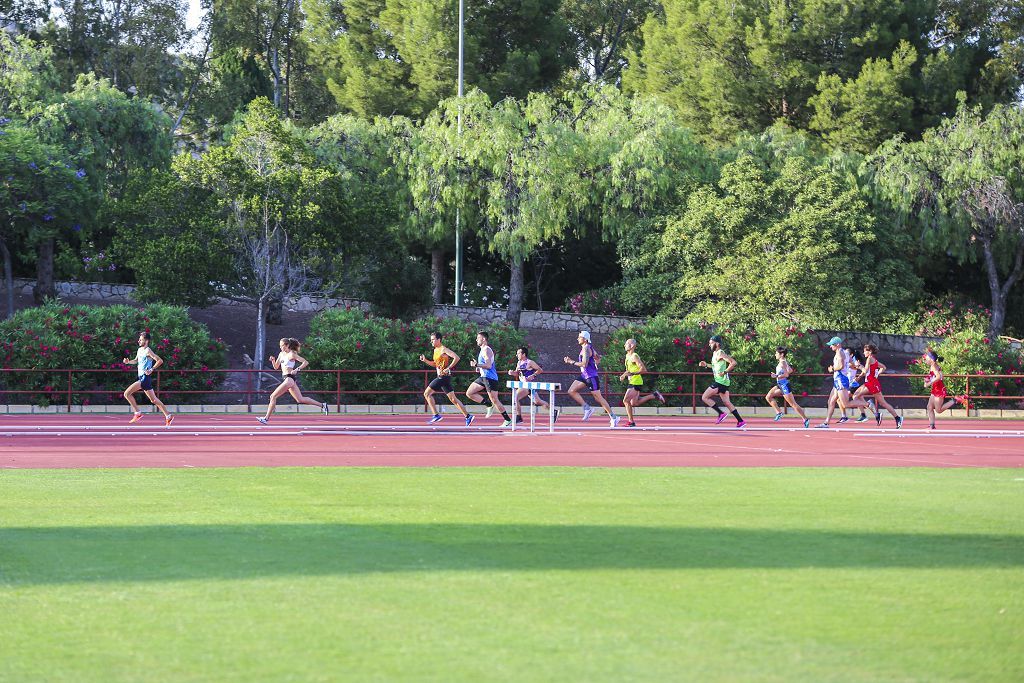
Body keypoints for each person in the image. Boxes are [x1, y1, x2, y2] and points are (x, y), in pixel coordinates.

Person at [257, 338, 329, 424]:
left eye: (282, 346)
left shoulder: (292, 354)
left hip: (289, 379)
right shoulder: (281, 354)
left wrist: (297, 369)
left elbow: (305, 362)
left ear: (287, 345)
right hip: (287, 379)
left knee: (273, 396)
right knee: (300, 399)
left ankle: (266, 418)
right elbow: (276, 367)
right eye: (280, 346)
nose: (280, 347)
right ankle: (323, 405)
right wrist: (273, 360)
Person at [564, 330, 619, 427]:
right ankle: (587, 408)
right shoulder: (589, 348)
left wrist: (571, 362)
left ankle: (614, 417)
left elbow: (584, 364)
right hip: (584, 375)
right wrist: (596, 362)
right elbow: (598, 357)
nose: (577, 338)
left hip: (591, 376)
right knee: (571, 390)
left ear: (585, 339)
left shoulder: (586, 349)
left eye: (579, 337)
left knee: (598, 398)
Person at [419, 331, 474, 426]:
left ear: (439, 340)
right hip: (443, 377)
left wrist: (448, 368)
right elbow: (435, 364)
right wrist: (425, 361)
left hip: (443, 377)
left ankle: (436, 415)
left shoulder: (443, 349)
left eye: (433, 340)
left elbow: (456, 357)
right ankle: (468, 416)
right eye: (431, 340)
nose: (431, 342)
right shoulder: (436, 350)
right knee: (453, 399)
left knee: (427, 394)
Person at [123, 331, 174, 426]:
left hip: (145, 378)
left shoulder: (148, 351)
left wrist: (152, 369)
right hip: (142, 377)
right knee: (153, 400)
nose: (138, 341)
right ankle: (168, 416)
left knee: (127, 393)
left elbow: (160, 360)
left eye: (141, 340)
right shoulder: (139, 350)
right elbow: (136, 361)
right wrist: (128, 362)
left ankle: (137, 413)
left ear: (146, 341)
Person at [466, 331, 515, 427]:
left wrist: (477, 364)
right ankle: (488, 404)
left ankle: (507, 419)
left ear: (483, 339)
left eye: (478, 338)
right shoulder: (482, 350)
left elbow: (488, 366)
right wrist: (478, 368)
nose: (476, 340)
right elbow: (485, 365)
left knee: (495, 400)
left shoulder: (486, 350)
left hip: (490, 378)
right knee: (469, 393)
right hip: (483, 377)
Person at [697, 335, 746, 428]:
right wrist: (706, 365)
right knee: (727, 402)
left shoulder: (720, 353)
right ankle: (740, 421)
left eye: (711, 343)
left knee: (704, 397)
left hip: (720, 382)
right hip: (724, 382)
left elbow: (733, 362)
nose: (709, 345)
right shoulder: (715, 354)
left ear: (717, 343)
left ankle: (721, 414)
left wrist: (725, 372)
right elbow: (715, 366)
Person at [854, 344, 903, 428]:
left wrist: (859, 366)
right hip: (870, 382)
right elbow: (883, 367)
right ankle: (873, 413)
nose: (863, 352)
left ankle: (897, 418)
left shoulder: (869, 359)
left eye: (865, 351)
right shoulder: (873, 359)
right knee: (856, 395)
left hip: (872, 384)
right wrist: (875, 374)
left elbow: (865, 371)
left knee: (883, 403)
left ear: (869, 352)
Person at [619, 338, 665, 427]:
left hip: (636, 382)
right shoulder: (627, 356)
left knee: (626, 401)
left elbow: (644, 370)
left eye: (626, 343)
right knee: (634, 403)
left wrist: (632, 373)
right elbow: (628, 370)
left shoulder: (634, 356)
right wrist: (624, 375)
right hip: (631, 381)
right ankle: (654, 395)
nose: (624, 345)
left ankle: (631, 422)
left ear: (632, 346)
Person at [507, 346, 557, 422]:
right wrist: (512, 373)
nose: (516, 355)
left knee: (515, 397)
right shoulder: (519, 363)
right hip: (523, 385)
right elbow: (517, 373)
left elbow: (540, 370)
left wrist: (533, 375)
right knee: (537, 401)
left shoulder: (530, 362)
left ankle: (519, 417)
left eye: (518, 353)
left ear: (523, 354)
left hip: (528, 385)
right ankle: (553, 411)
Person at [764, 347, 810, 428]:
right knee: (768, 397)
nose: (775, 355)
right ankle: (779, 412)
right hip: (779, 385)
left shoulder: (782, 363)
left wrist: (776, 375)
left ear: (781, 354)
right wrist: (779, 374)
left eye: (776, 353)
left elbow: (786, 375)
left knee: (793, 404)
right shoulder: (783, 362)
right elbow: (790, 370)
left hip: (784, 385)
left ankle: (805, 419)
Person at [922, 348, 968, 429]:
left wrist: (929, 383)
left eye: (927, 357)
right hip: (935, 390)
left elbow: (939, 377)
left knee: (938, 410)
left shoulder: (934, 366)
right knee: (929, 407)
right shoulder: (933, 366)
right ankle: (932, 425)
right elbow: (937, 376)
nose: (925, 358)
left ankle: (955, 400)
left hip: (939, 390)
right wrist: (927, 379)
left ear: (931, 360)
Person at [816, 336, 855, 428]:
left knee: (845, 404)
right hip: (839, 379)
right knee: (831, 401)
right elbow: (851, 363)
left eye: (832, 345)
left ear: (837, 345)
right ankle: (826, 422)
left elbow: (841, 366)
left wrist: (832, 369)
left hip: (840, 379)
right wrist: (851, 368)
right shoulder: (845, 352)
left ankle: (867, 404)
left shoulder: (839, 353)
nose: (830, 347)